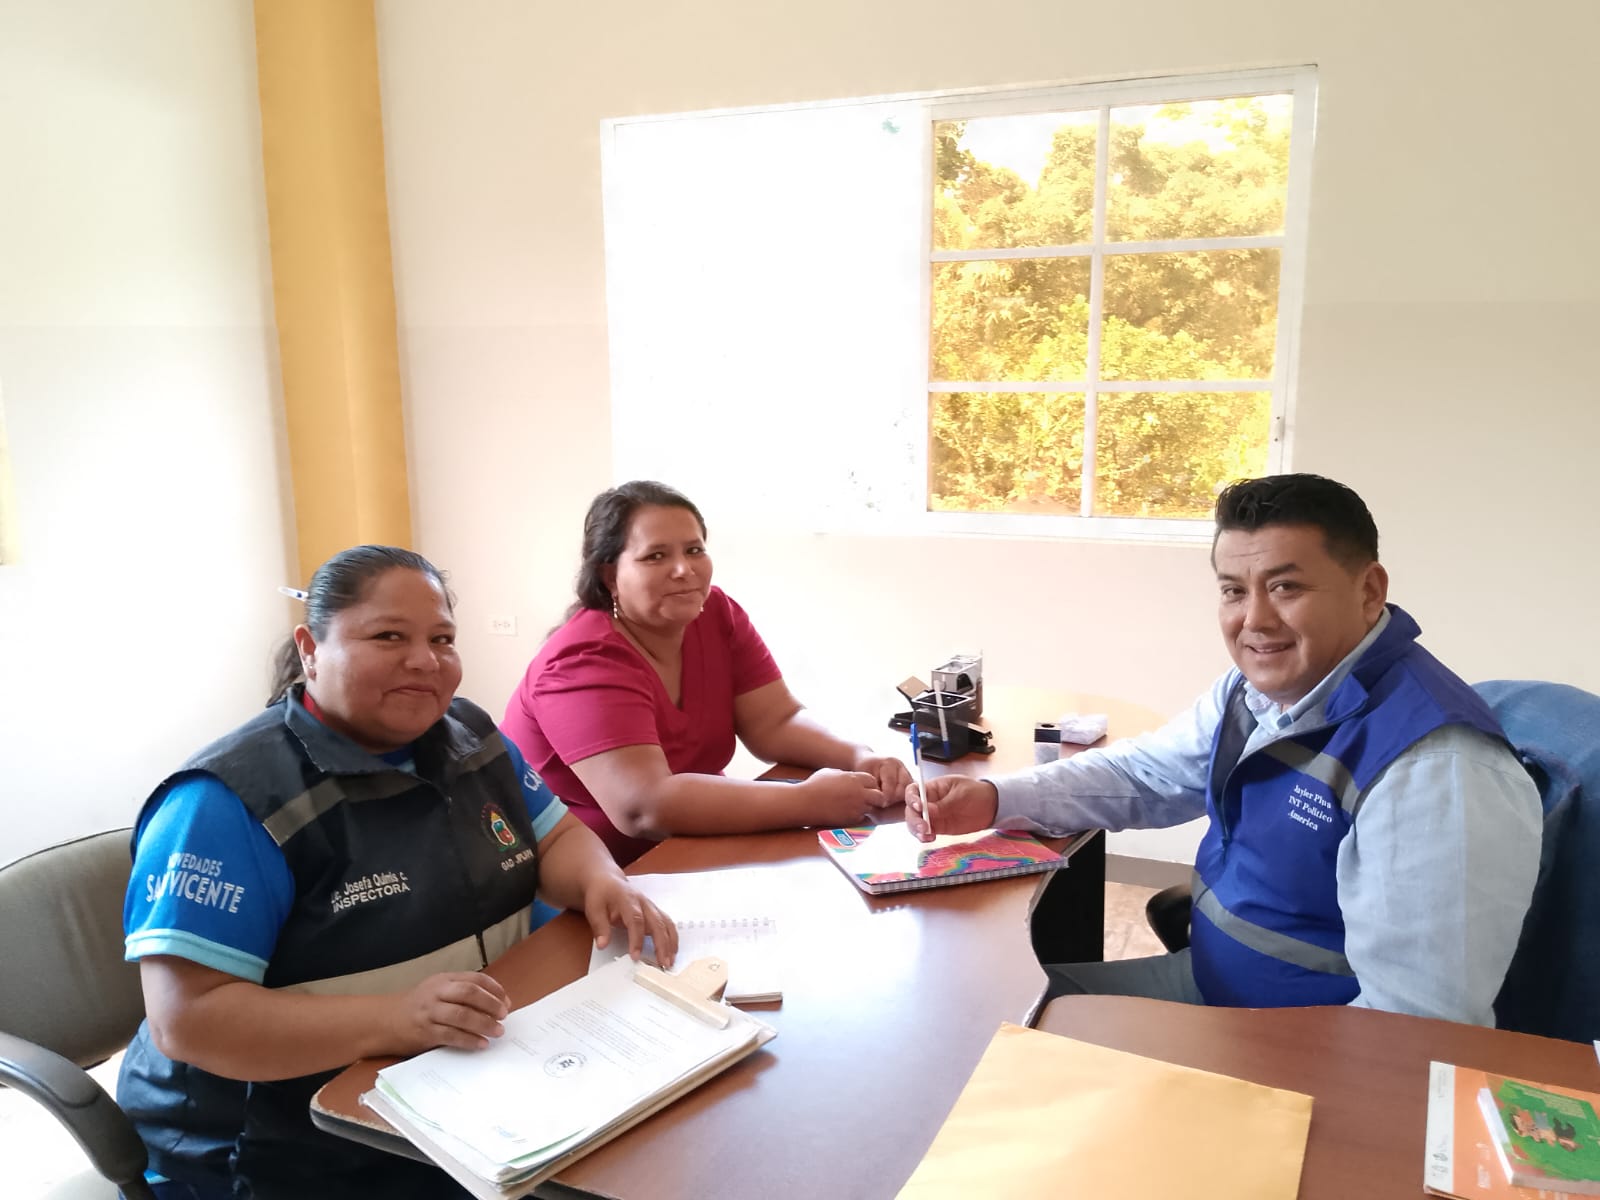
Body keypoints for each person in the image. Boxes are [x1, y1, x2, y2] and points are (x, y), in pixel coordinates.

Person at [117, 545, 678, 1200]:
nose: (425, 661)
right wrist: (401, 1018)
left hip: (456, 1081)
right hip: (281, 1141)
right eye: (389, 636)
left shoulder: (468, 735)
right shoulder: (225, 803)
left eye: (442, 639)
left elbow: (556, 837)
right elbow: (188, 1020)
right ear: (310, 649)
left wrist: (603, 882)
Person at [910, 474, 1542, 1026]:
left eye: (1286, 587)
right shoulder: (1258, 694)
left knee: (997, 1041)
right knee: (977, 1008)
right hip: (1215, 986)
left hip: (1287, 1049)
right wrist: (995, 798)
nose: (1254, 620)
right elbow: (1146, 775)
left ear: (1370, 590)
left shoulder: (1434, 771)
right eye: (1234, 591)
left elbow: (1416, 1028)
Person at [500, 480, 911, 865]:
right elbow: (643, 807)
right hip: (596, 875)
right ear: (610, 575)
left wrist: (860, 756)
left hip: (694, 845)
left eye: (694, 550)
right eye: (656, 556)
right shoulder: (581, 660)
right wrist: (807, 801)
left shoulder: (715, 613)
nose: (684, 569)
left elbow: (775, 721)